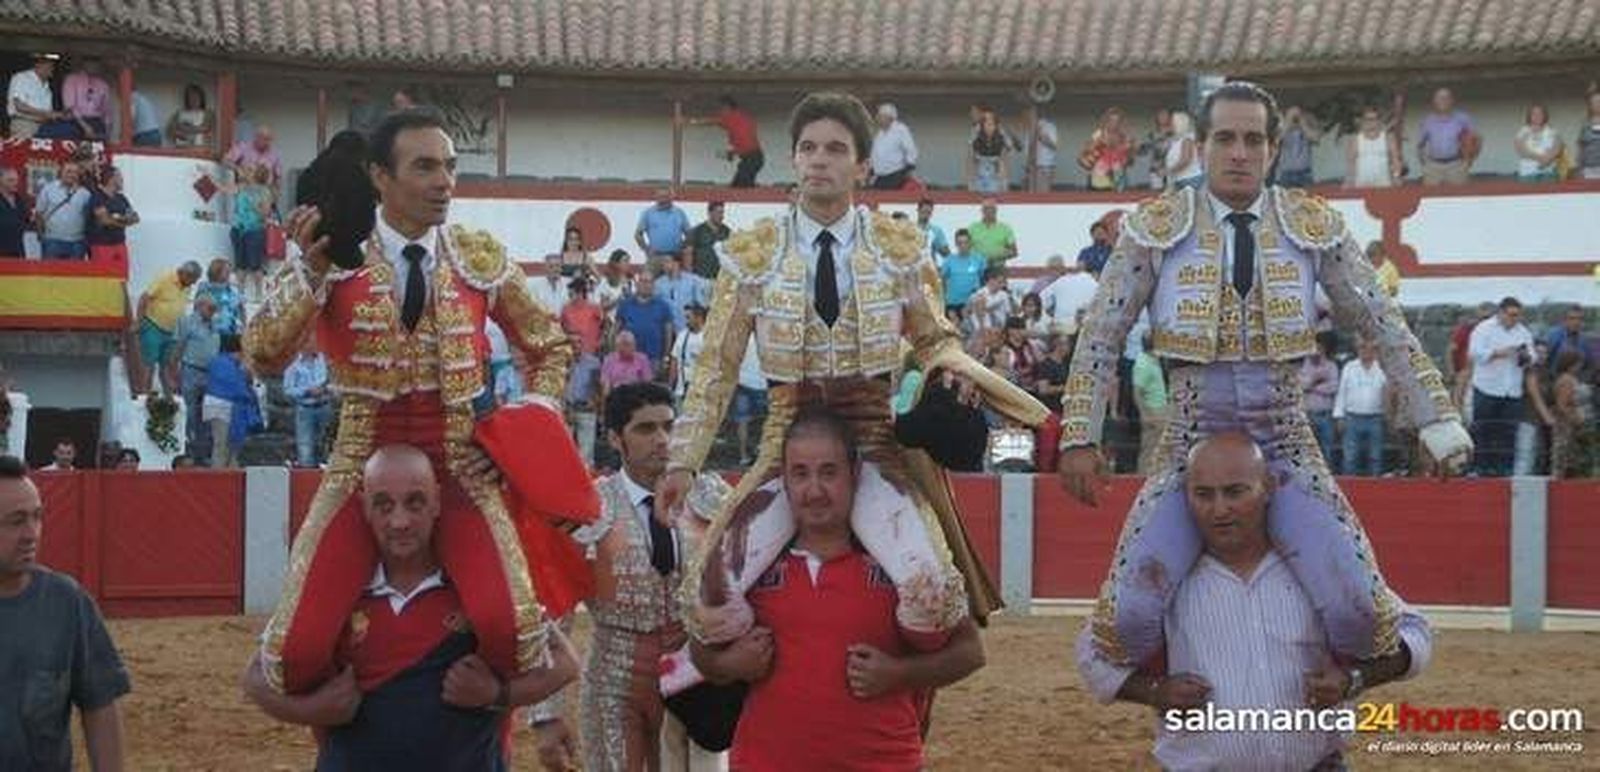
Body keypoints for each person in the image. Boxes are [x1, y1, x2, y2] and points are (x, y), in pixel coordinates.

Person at [1056, 81, 1469, 672]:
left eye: (1253, 140)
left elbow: (1381, 321)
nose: (1239, 152)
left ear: (1273, 149)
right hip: (1187, 446)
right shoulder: (1154, 226)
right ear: (1201, 147)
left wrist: (1438, 418)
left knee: (1360, 615)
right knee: (1128, 621)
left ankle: (1321, 724)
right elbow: (1101, 333)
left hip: (1284, 443)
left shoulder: (1312, 225)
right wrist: (1078, 434)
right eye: (1225, 138)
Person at [661, 92, 1048, 653]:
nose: (820, 160)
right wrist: (683, 460)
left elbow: (936, 337)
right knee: (708, 604)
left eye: (836, 149)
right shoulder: (750, 255)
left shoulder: (900, 249)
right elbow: (716, 370)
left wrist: (952, 370)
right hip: (783, 447)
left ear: (863, 166)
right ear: (793, 160)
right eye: (808, 148)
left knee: (933, 592)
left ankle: (900, 698)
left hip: (874, 443)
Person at [243, 110, 577, 696]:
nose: (444, 180)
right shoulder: (334, 250)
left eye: (449, 166)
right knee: (294, 652)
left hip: (457, 464)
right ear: (380, 176)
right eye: (424, 167)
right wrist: (310, 269)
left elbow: (549, 348)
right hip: (358, 466)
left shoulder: (478, 255)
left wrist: (514, 443)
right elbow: (263, 354)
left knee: (511, 634)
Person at [1075, 433, 1433, 771]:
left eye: (1235, 493)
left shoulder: (1316, 570)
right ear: (1187, 497)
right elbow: (1092, 656)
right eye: (1204, 494)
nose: (1220, 510)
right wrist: (1155, 691)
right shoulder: (1163, 579)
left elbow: (1417, 636)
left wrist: (1354, 679)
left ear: (1268, 489)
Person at [243, 445, 579, 770]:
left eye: (415, 503)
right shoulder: (338, 589)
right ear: (364, 507)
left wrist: (497, 693)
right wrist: (311, 709)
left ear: (437, 502)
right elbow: (256, 676)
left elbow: (565, 663)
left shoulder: (477, 583)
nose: (400, 521)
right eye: (384, 505)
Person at [691, 410, 987, 771]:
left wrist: (899, 674)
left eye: (828, 472)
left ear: (855, 475)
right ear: (783, 480)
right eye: (800, 474)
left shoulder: (901, 565)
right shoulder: (750, 564)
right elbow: (701, 651)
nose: (814, 490)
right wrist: (729, 664)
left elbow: (971, 652)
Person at [531, 383, 733, 772]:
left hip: (696, 671)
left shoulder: (710, 494)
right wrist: (546, 714)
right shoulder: (588, 505)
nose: (662, 440)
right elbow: (555, 611)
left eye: (669, 427)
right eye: (645, 429)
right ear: (614, 438)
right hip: (613, 676)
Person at [0, 455, 131, 772]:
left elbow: (99, 706)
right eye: (16, 521)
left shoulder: (66, 602)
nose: (32, 534)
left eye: (37, 517)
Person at [1467, 297, 1534, 477]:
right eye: (1512, 315)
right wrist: (1500, 353)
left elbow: (1532, 357)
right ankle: (1480, 468)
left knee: (1508, 432)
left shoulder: (1523, 332)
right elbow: (1474, 354)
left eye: (1518, 315)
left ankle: (1505, 469)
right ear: (1501, 313)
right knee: (1483, 430)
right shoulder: (1483, 329)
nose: (1516, 319)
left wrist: (1525, 356)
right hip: (1487, 388)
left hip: (1512, 390)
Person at [133, 261, 203, 395]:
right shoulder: (165, 278)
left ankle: (169, 399)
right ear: (184, 274)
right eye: (193, 279)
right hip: (153, 326)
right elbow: (144, 298)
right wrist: (138, 322)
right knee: (149, 365)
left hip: (172, 332)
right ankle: (144, 397)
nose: (193, 284)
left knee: (167, 366)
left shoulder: (187, 285)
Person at [173, 296, 222, 463]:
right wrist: (175, 372)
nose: (213, 312)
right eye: (210, 308)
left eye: (215, 309)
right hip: (191, 370)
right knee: (191, 413)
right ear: (199, 306)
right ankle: (189, 452)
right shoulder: (187, 322)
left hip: (210, 374)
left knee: (208, 415)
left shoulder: (215, 324)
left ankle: (204, 453)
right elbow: (179, 346)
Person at [202, 334, 262, 469]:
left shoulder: (228, 364)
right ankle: (218, 478)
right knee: (221, 445)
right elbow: (235, 387)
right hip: (220, 407)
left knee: (229, 446)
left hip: (225, 408)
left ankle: (230, 474)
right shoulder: (222, 364)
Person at [1333, 337, 1389, 476]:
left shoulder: (1382, 368)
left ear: (1375, 350)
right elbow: (1342, 392)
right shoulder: (1349, 367)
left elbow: (1389, 391)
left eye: (1370, 348)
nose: (1366, 351)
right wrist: (1339, 416)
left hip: (1375, 418)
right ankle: (1349, 490)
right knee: (1350, 457)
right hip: (1352, 418)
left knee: (1375, 457)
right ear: (1358, 349)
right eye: (1363, 347)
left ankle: (1377, 488)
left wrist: (1389, 415)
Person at [688, 96, 764, 188]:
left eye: (721, 109)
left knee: (740, 186)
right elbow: (745, 140)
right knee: (739, 185)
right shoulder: (741, 118)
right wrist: (732, 153)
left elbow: (711, 121)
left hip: (752, 158)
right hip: (753, 158)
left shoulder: (731, 117)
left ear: (727, 108)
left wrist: (692, 122)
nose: (720, 112)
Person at [227, 164, 275, 300]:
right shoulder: (242, 187)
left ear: (257, 175)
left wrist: (254, 203)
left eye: (251, 170)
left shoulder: (265, 192)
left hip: (254, 231)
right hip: (238, 229)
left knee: (255, 264)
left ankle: (259, 293)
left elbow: (265, 214)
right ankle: (240, 293)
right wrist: (207, 174)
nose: (247, 172)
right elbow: (224, 189)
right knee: (239, 264)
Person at [283, 344, 334, 468]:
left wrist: (326, 389)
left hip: (325, 406)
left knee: (327, 447)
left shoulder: (325, 360)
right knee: (306, 450)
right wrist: (307, 391)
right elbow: (288, 390)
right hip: (305, 410)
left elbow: (335, 380)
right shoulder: (293, 364)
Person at [1417, 88, 1476, 186]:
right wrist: (1425, 165)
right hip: (1433, 168)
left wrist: (1468, 162)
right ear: (1434, 101)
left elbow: (1476, 140)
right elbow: (1419, 145)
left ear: (1452, 100)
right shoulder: (1427, 121)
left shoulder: (1463, 119)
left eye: (1446, 98)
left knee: (1459, 198)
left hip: (1456, 166)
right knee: (1432, 199)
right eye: (1440, 98)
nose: (1443, 101)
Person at [1551, 350, 1595, 479]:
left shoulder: (1573, 378)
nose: (1580, 365)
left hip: (1578, 425)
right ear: (1571, 363)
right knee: (1565, 457)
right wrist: (1576, 419)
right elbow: (1562, 405)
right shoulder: (1566, 380)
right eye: (1578, 363)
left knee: (1576, 460)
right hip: (1568, 427)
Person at [34, 162, 93, 260]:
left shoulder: (85, 194)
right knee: (49, 273)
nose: (71, 175)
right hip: (52, 241)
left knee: (74, 274)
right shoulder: (48, 189)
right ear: (61, 172)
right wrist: (41, 235)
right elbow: (39, 213)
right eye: (68, 171)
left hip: (77, 242)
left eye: (75, 172)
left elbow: (89, 218)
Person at [617, 272, 676, 370]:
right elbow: (616, 330)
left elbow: (668, 334)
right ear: (637, 284)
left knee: (649, 385)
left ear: (653, 285)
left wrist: (666, 357)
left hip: (653, 359)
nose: (645, 285)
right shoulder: (625, 305)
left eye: (649, 282)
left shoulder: (663, 306)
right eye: (643, 281)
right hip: (628, 358)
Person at [7, 55, 73, 140]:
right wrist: (47, 113)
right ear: (38, 65)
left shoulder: (46, 85)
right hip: (25, 124)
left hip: (44, 126)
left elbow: (47, 112)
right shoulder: (22, 78)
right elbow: (19, 106)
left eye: (52, 66)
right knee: (25, 152)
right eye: (49, 65)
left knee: (67, 129)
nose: (52, 69)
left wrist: (59, 115)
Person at [1301, 332, 1340, 464]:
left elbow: (1333, 388)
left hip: (1325, 415)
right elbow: (1300, 386)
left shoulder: (1331, 366)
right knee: (1307, 451)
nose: (1315, 351)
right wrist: (1316, 380)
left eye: (1318, 348)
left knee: (1326, 450)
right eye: (1313, 347)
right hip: (1307, 415)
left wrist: (1312, 387)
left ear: (1323, 349)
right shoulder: (1303, 366)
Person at [1130, 331, 1167, 475]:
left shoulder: (1153, 360)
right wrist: (1145, 414)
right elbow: (1137, 392)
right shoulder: (1144, 364)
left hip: (1161, 409)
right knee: (1149, 449)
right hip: (1153, 410)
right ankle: (1141, 479)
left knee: (1159, 450)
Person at [86, 167, 139, 265]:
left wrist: (116, 218)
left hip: (119, 245)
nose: (122, 180)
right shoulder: (97, 197)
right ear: (111, 179)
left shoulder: (122, 198)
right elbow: (104, 220)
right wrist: (124, 221)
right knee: (102, 277)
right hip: (101, 246)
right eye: (120, 177)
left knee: (121, 277)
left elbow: (135, 218)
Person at [1344, 105, 1402, 188]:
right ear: (1363, 121)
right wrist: (1348, 182)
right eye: (1368, 119)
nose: (1371, 122)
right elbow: (1351, 164)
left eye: (1374, 119)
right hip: (1361, 186)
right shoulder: (1355, 140)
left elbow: (1395, 160)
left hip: (1384, 186)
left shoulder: (1388, 138)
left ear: (1379, 121)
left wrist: (1396, 177)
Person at [636, 189, 692, 268]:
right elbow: (638, 234)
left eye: (666, 197)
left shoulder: (679, 213)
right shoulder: (648, 213)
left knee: (675, 280)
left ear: (671, 198)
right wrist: (646, 249)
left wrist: (684, 247)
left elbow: (689, 234)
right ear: (656, 198)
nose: (663, 200)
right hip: (656, 256)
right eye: (660, 197)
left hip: (675, 256)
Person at [1081, 107, 1133, 191]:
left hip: (1118, 175)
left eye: (1117, 121)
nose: (1114, 123)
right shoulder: (1098, 134)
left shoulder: (1124, 137)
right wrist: (1097, 143)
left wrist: (1129, 151)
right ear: (1106, 121)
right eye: (1111, 120)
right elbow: (1085, 152)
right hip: (1100, 176)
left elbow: (1130, 162)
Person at [658, 252, 711, 333]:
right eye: (662, 262)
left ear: (676, 263)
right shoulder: (659, 284)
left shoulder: (692, 280)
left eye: (666, 261)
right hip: (670, 331)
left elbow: (709, 286)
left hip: (691, 330)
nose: (663, 265)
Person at [1041, 262, 1098, 337]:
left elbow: (1039, 301)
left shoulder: (1062, 280)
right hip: (1085, 331)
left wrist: (1048, 320)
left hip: (1060, 328)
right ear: (1095, 273)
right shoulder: (1097, 285)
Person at [868, 102, 918, 189]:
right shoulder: (880, 133)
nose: (877, 118)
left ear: (889, 118)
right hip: (880, 175)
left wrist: (910, 166)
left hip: (896, 174)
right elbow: (875, 152)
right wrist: (871, 168)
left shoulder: (900, 130)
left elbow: (910, 149)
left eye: (880, 116)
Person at [60, 58, 112, 140]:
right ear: (83, 64)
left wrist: (107, 132)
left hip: (95, 122)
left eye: (96, 63)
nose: (94, 66)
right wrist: (84, 126)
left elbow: (106, 111)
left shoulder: (103, 84)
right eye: (91, 62)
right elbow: (70, 106)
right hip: (76, 122)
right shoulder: (72, 79)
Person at [194, 258, 246, 338]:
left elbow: (241, 309)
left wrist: (243, 327)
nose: (229, 274)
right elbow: (198, 314)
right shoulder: (204, 290)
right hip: (209, 336)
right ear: (216, 272)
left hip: (231, 334)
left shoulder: (231, 290)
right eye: (227, 271)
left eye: (230, 271)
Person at [938, 229, 985, 318]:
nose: (963, 245)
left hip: (972, 305)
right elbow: (941, 281)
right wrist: (944, 299)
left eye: (966, 242)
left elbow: (984, 280)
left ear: (970, 243)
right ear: (956, 244)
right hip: (953, 305)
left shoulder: (979, 259)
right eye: (960, 243)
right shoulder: (949, 260)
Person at [668, 304, 708, 406]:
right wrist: (670, 385)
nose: (686, 321)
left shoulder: (707, 337)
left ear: (699, 318)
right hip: (681, 389)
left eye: (688, 318)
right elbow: (674, 361)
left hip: (700, 391)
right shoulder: (682, 336)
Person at [1514, 103, 1564, 183]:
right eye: (1534, 114)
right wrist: (1539, 158)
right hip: (1528, 174)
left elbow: (1557, 147)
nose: (1537, 116)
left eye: (1540, 113)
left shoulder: (1552, 131)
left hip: (1548, 173)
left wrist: (1548, 159)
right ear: (1529, 116)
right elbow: (1520, 149)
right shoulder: (1523, 131)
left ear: (1545, 115)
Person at [1273, 105, 1321, 187]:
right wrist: (1288, 120)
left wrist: (1302, 122)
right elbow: (1277, 139)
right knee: (1285, 199)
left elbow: (1315, 138)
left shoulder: (1307, 122)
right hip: (1286, 174)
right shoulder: (1282, 123)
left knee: (1306, 199)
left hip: (1305, 173)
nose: (1295, 115)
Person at [967, 108, 1011, 194]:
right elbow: (971, 158)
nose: (989, 127)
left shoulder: (1001, 137)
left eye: (992, 124)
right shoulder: (976, 136)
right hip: (980, 172)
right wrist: (970, 180)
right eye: (987, 124)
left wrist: (1004, 181)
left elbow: (1005, 158)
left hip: (995, 172)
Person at [602, 330, 656, 398]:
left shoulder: (642, 359)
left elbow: (647, 383)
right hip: (616, 395)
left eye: (626, 345)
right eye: (619, 345)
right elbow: (606, 385)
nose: (622, 348)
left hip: (636, 396)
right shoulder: (609, 359)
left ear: (634, 346)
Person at [560, 276, 606, 356]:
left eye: (571, 294)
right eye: (569, 294)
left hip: (591, 353)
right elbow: (561, 329)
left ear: (580, 293)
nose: (569, 296)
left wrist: (599, 342)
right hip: (571, 353)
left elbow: (605, 325)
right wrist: (568, 337)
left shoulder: (594, 308)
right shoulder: (565, 309)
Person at [966, 197, 1019, 265]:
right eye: (986, 209)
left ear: (996, 210)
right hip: (977, 267)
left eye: (991, 208)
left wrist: (996, 258)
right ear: (982, 211)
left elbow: (1014, 252)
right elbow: (965, 248)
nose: (989, 211)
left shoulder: (1005, 229)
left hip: (997, 268)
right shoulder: (972, 228)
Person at [1544, 306, 1594, 376]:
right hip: (1554, 377)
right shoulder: (1554, 335)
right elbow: (1545, 359)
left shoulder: (1584, 340)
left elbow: (1589, 363)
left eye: (1580, 319)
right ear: (1565, 320)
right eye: (1572, 318)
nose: (1576, 322)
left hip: (1577, 378)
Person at [687, 201, 731, 280]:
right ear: (710, 213)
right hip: (701, 276)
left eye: (722, 213)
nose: (721, 216)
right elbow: (688, 252)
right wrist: (690, 275)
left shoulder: (727, 231)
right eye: (718, 212)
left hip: (721, 278)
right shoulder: (697, 231)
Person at [966, 267, 1016, 333]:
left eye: (1003, 282)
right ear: (990, 280)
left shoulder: (1004, 295)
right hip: (983, 330)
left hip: (1000, 330)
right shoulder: (979, 295)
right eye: (999, 282)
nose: (1002, 285)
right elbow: (971, 312)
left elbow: (1008, 313)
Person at [1164, 111, 1203, 190]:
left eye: (1172, 123)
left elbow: (1185, 159)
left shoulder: (1187, 139)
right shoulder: (1178, 139)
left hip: (1190, 179)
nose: (1170, 125)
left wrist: (1168, 171)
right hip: (1181, 179)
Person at [0, 167, 29, 258]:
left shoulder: (19, 200)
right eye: (10, 180)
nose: (15, 183)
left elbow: (24, 221)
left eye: (16, 180)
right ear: (1, 181)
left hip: (17, 250)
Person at [1029, 113, 1059, 192]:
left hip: (1047, 164)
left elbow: (1054, 146)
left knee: (1045, 191)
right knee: (1034, 192)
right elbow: (1030, 147)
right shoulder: (1031, 128)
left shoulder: (1050, 127)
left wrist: (1042, 138)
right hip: (1034, 165)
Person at [1579, 88, 1600, 180]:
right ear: (1590, 106)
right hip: (1589, 169)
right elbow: (1581, 147)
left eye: (1599, 101)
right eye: (1594, 102)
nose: (1598, 105)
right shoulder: (1585, 125)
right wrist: (1581, 168)